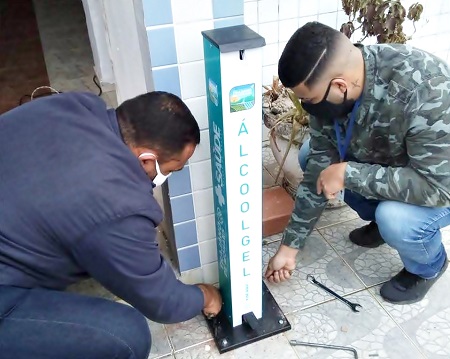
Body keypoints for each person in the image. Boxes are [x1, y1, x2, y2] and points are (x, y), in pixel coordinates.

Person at [0, 91, 222, 359]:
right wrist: (205, 296)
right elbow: (163, 301)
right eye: (172, 169)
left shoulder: (71, 105)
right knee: (125, 336)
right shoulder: (117, 204)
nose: (168, 176)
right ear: (147, 160)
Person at [265, 21, 450, 305]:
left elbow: (437, 188)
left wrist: (350, 174)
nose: (307, 107)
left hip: (440, 184)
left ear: (339, 85)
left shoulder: (427, 91)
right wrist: (289, 248)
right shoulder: (335, 88)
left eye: (308, 100)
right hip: (401, 168)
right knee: (309, 156)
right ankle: (380, 221)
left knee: (396, 219)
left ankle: (428, 266)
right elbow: (320, 162)